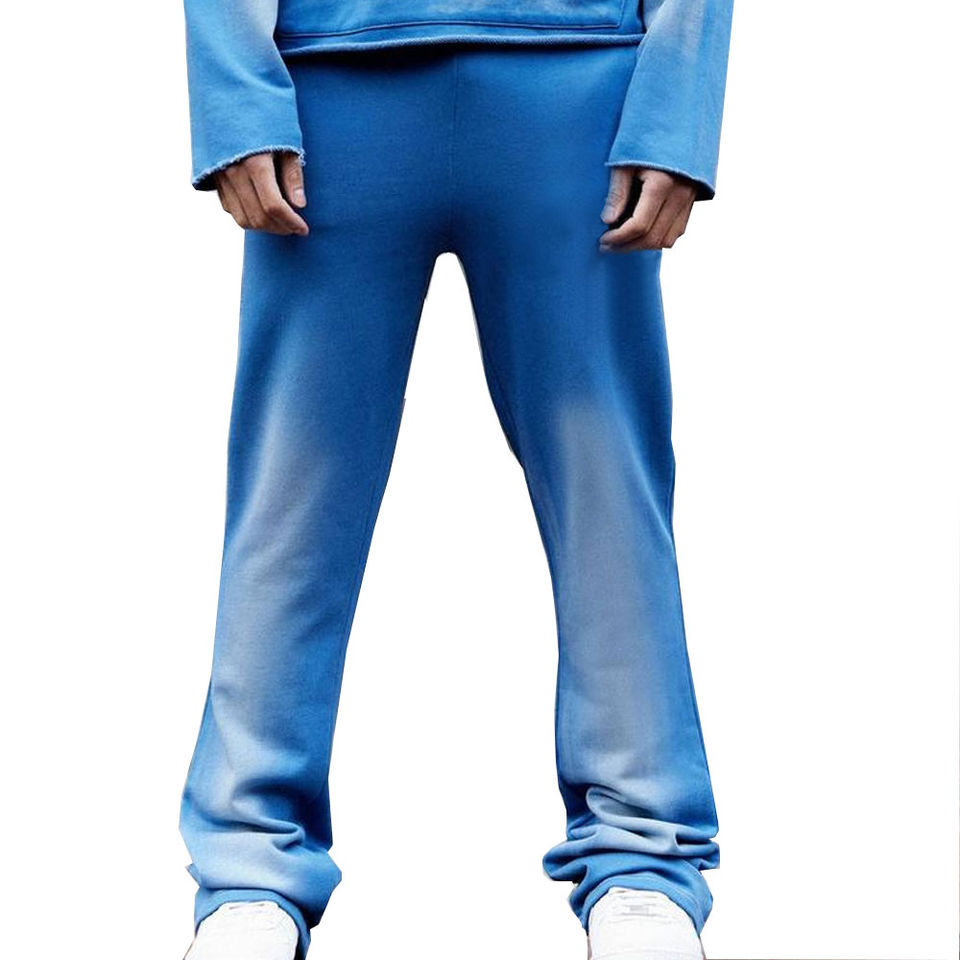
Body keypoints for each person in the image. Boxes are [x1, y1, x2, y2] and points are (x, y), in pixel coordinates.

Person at [178, 2, 734, 959]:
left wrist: (675, 108)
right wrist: (235, 93)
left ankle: (645, 862)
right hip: (329, 91)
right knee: (293, 495)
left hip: (577, 86)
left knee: (607, 488)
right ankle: (250, 873)